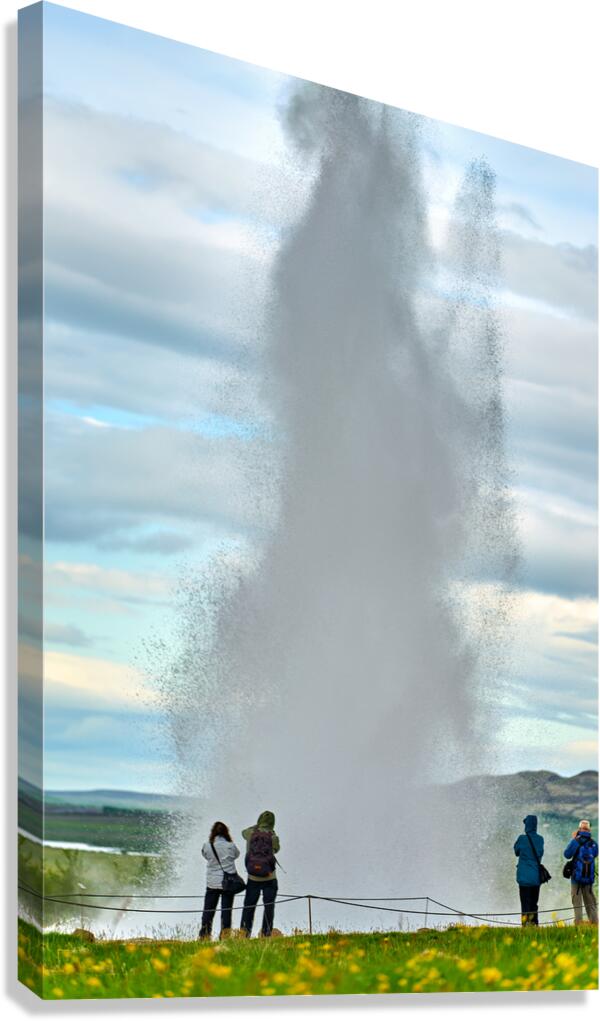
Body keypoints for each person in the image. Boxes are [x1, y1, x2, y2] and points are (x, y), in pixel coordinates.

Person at [240, 810, 280, 937]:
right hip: (269, 877)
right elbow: (276, 849)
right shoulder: (273, 836)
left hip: (253, 877)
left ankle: (244, 933)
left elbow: (242, 832)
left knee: (249, 906)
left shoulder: (250, 833)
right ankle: (266, 933)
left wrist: (256, 826)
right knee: (269, 906)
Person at [199, 821, 241, 938]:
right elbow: (236, 855)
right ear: (226, 832)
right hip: (228, 883)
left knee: (208, 910)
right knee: (226, 911)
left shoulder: (207, 845)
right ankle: (225, 936)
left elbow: (205, 856)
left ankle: (205, 935)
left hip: (212, 883)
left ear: (213, 832)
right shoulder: (231, 846)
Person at [564, 819, 598, 925]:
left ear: (579, 829)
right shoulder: (594, 843)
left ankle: (578, 923)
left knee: (577, 901)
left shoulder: (576, 841)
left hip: (576, 877)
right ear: (589, 830)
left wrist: (574, 839)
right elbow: (595, 854)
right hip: (589, 877)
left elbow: (567, 854)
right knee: (590, 902)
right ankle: (595, 923)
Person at [514, 814, 544, 926]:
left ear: (526, 825)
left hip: (524, 877)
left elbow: (516, 851)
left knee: (525, 903)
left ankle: (525, 925)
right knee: (534, 903)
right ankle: (534, 924)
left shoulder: (522, 838)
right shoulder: (540, 839)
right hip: (536, 876)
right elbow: (540, 853)